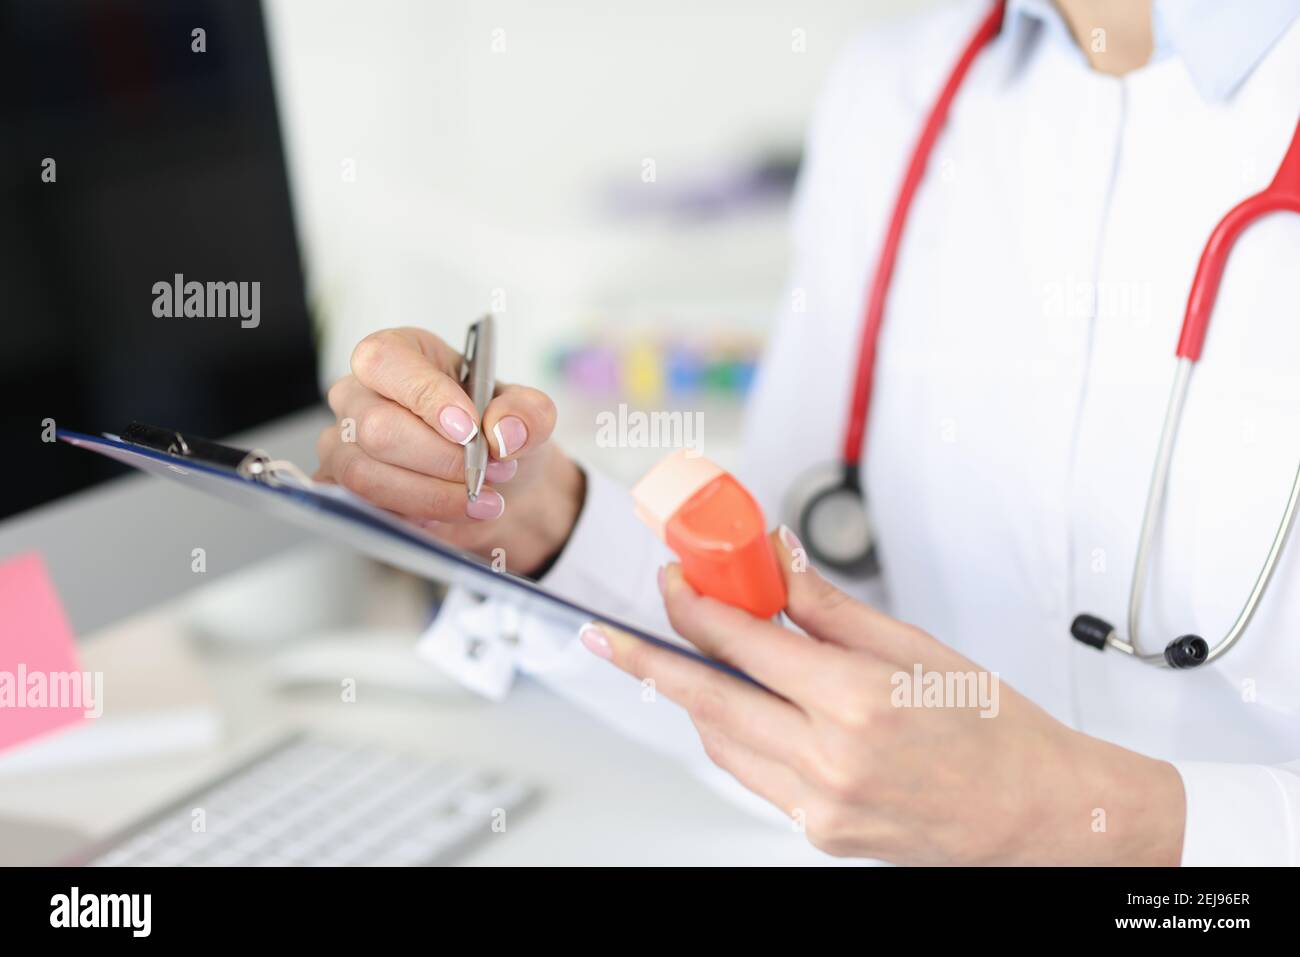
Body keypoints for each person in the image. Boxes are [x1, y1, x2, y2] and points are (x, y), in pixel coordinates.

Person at [315, 0, 1300, 865]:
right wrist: (535, 522)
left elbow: (1017, 811)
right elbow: (794, 645)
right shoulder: (897, 94)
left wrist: (1113, 823)